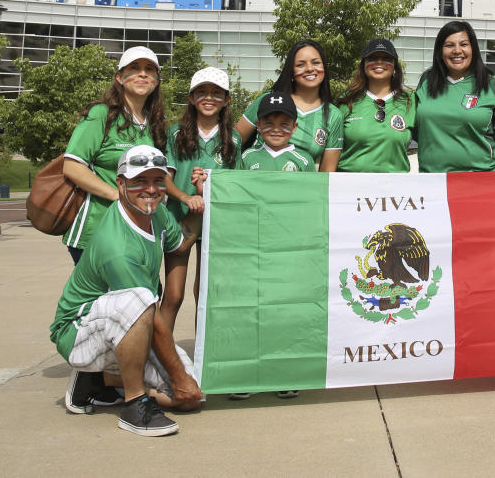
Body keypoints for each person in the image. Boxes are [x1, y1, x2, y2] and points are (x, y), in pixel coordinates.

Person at [50, 145, 203, 436]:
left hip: (125, 325)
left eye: (158, 181)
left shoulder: (155, 214)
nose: (150, 189)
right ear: (120, 184)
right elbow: (150, 316)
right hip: (78, 330)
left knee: (191, 398)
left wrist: (202, 197)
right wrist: (178, 376)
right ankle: (134, 405)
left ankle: (98, 381)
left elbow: (181, 242)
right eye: (139, 181)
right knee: (141, 299)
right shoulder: (116, 246)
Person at [231, 91, 315, 399]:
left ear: (294, 127)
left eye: (283, 122)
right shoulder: (247, 158)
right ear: (258, 124)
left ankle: (283, 372)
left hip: (289, 251)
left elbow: (311, 204)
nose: (275, 128)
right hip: (255, 248)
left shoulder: (304, 160)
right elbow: (234, 201)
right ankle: (248, 374)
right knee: (254, 309)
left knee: (284, 311)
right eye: (268, 122)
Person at [61, 46, 167, 264]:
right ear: (119, 77)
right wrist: (120, 198)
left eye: (150, 69)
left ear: (156, 80)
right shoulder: (101, 114)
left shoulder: (154, 123)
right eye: (134, 68)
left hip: (138, 230)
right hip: (97, 229)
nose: (143, 74)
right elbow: (72, 167)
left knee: (146, 293)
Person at [161, 67, 241, 335]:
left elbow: (237, 184)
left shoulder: (234, 138)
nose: (209, 98)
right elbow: (165, 179)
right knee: (173, 296)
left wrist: (210, 190)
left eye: (217, 93)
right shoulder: (175, 133)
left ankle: (201, 361)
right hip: (179, 221)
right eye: (203, 92)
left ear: (227, 99)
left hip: (215, 226)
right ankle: (160, 360)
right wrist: (188, 196)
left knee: (205, 295)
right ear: (192, 97)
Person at [413, 20, 495, 174]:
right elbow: (416, 129)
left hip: (481, 181)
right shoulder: (426, 80)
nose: (457, 50)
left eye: (464, 44)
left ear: (473, 49)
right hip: (434, 182)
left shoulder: (492, 84)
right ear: (440, 50)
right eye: (449, 45)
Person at [236, 39, 342, 171]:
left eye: (316, 63)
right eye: (300, 65)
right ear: (291, 70)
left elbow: (326, 175)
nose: (309, 68)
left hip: (298, 188)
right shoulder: (269, 100)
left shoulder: (333, 115)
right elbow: (234, 141)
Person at [337, 38, 415, 173]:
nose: (379, 62)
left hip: (394, 190)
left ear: (395, 68)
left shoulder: (411, 101)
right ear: (363, 66)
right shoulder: (346, 100)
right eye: (372, 58)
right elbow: (331, 150)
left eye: (386, 58)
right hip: (350, 188)